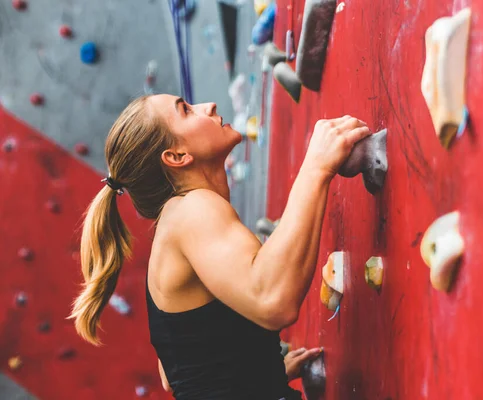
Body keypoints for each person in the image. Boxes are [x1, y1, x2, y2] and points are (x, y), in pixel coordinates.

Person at [68, 94, 371, 399]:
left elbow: (171, 374)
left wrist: (258, 373)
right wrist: (316, 166)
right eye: (185, 110)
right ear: (176, 156)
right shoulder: (191, 210)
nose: (208, 105)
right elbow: (273, 298)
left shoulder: (175, 226)